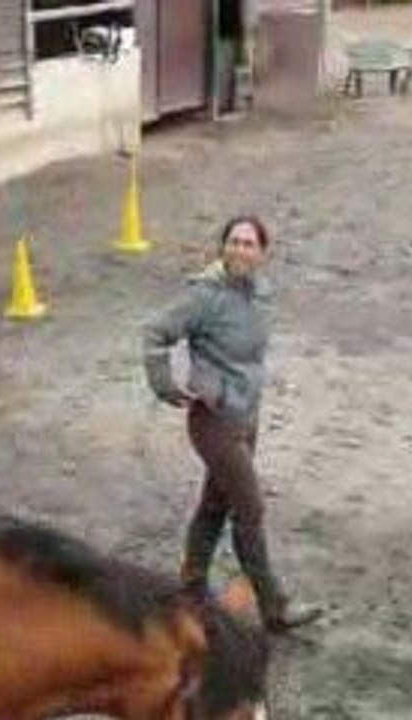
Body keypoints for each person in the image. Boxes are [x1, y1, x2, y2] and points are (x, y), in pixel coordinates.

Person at [143, 216, 323, 634]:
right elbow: (154, 333)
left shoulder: (262, 293)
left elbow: (250, 356)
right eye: (234, 242)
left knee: (215, 504)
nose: (241, 250)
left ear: (262, 253)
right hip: (213, 421)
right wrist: (165, 385)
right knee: (250, 508)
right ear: (222, 247)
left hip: (246, 417)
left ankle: (190, 589)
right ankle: (274, 606)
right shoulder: (203, 296)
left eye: (249, 244)